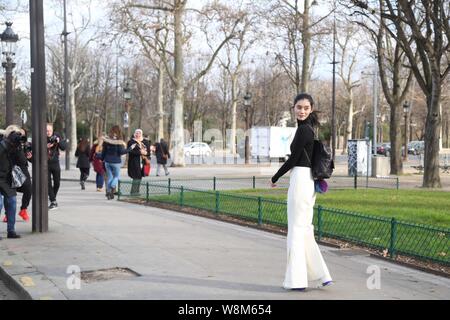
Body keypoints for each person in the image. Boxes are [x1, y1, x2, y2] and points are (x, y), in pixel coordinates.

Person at [270, 93, 332, 291]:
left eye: (306, 107)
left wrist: (275, 177)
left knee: (296, 230)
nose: (302, 110)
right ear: (293, 108)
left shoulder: (304, 130)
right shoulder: (308, 129)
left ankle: (296, 281)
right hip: (307, 181)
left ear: (311, 109)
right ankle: (322, 274)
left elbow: (293, 159)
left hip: (301, 180)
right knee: (304, 229)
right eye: (299, 107)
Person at [0, 126, 24, 239]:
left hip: (8, 179)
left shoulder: (16, 147)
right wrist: (6, 145)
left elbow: (23, 162)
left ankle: (11, 230)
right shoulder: (2, 144)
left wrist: (19, 148)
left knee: (12, 202)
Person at [3, 128, 32, 223]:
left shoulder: (25, 145)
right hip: (10, 169)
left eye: (22, 135)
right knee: (10, 194)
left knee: (28, 189)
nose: (20, 137)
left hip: (22, 169)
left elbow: (24, 160)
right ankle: (8, 214)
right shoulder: (7, 144)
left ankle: (23, 209)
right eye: (18, 135)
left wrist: (30, 156)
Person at [101, 125, 134, 200]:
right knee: (116, 176)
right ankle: (112, 186)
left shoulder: (106, 140)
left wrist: (102, 159)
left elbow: (104, 151)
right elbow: (121, 152)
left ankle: (109, 192)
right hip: (116, 162)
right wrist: (130, 149)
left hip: (107, 161)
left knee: (110, 177)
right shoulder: (119, 141)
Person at [47, 123, 67, 210]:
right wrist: (46, 146)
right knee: (47, 183)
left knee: (57, 183)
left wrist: (59, 141)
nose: (48, 133)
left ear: (53, 130)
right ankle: (53, 201)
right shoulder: (41, 137)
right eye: (46, 131)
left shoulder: (56, 135)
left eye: (50, 131)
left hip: (55, 162)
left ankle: (52, 197)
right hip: (45, 163)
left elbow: (63, 147)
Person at [127, 129, 151, 195]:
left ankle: (136, 191)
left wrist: (146, 153)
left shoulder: (145, 142)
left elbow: (148, 152)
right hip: (134, 162)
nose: (138, 135)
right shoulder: (131, 142)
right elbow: (130, 151)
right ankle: (134, 192)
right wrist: (140, 152)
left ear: (141, 134)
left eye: (139, 133)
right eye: (136, 133)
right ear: (134, 134)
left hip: (142, 162)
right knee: (136, 176)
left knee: (139, 176)